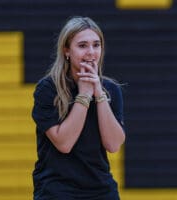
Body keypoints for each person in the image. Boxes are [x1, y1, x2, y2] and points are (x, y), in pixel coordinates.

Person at [31, 16, 126, 200]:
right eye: (82, 46)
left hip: (100, 189)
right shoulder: (48, 88)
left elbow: (113, 145)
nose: (91, 52)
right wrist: (84, 95)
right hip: (56, 190)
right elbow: (64, 144)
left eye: (96, 45)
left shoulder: (110, 89)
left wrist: (99, 94)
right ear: (67, 50)